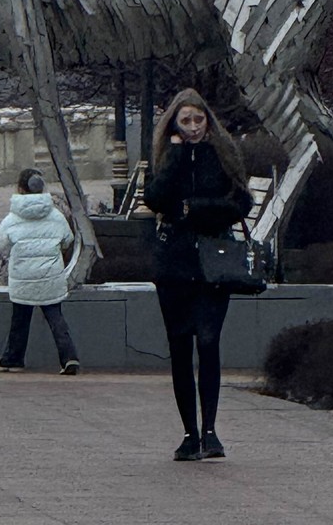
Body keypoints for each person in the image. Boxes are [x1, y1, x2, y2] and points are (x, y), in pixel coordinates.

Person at [142, 87, 252, 463]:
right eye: (185, 120)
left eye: (198, 119)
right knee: (179, 346)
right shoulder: (165, 156)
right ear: (174, 123)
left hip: (212, 260)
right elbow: (154, 198)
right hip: (174, 261)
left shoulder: (221, 153)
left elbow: (242, 201)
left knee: (208, 341)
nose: (192, 127)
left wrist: (197, 209)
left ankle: (210, 431)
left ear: (208, 121)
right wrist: (174, 156)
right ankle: (189, 432)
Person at [0, 167, 80, 375]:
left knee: (20, 321)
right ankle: (69, 358)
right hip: (51, 275)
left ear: (20, 189)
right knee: (56, 318)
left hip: (23, 277)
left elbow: (0, 244)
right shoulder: (55, 216)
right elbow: (68, 239)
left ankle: (13, 359)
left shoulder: (12, 218)